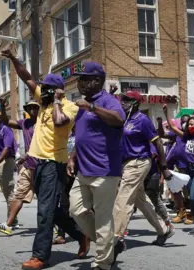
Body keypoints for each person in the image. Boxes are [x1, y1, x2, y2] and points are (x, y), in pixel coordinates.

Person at [2, 48, 89, 270]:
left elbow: (60, 123)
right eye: (44, 89)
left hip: (54, 164)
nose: (42, 92)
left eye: (49, 89)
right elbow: (27, 77)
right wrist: (13, 58)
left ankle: (40, 256)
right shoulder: (43, 101)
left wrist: (58, 101)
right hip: (36, 163)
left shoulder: (69, 106)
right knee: (54, 210)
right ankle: (82, 235)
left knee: (44, 211)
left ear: (58, 91)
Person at [67, 62, 126, 270]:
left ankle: (102, 262)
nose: (81, 83)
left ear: (98, 80)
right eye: (80, 79)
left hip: (105, 170)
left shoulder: (108, 101)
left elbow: (119, 120)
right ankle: (110, 245)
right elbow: (81, 137)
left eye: (86, 79)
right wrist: (73, 157)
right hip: (83, 169)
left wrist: (92, 107)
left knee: (102, 218)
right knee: (76, 210)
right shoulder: (83, 104)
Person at [113, 91, 175, 248]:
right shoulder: (124, 118)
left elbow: (158, 144)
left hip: (138, 162)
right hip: (125, 163)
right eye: (122, 99)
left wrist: (164, 167)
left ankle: (116, 237)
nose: (123, 102)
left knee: (123, 197)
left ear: (135, 103)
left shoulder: (143, 120)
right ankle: (163, 229)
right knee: (141, 201)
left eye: (127, 100)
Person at [0, 99, 39, 235]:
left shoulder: (44, 123)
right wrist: (3, 109)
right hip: (29, 166)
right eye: (30, 108)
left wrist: (26, 155)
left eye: (35, 107)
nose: (33, 110)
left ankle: (53, 227)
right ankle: (8, 224)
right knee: (19, 195)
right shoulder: (25, 123)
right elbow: (7, 122)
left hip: (43, 166)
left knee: (45, 199)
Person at [164, 104, 194, 236]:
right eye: (188, 124)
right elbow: (173, 127)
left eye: (191, 124)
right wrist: (166, 113)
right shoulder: (186, 137)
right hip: (187, 170)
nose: (189, 126)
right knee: (191, 198)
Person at [156, 115, 193, 224]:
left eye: (187, 122)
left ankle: (191, 214)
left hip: (188, 166)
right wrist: (159, 122)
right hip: (176, 165)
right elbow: (162, 134)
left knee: (189, 192)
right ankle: (181, 212)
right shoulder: (177, 134)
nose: (185, 124)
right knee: (175, 190)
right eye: (183, 121)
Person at [54, 126, 76, 245]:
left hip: (81, 171)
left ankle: (89, 232)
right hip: (64, 171)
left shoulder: (84, 134)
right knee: (63, 203)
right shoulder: (67, 135)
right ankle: (61, 234)